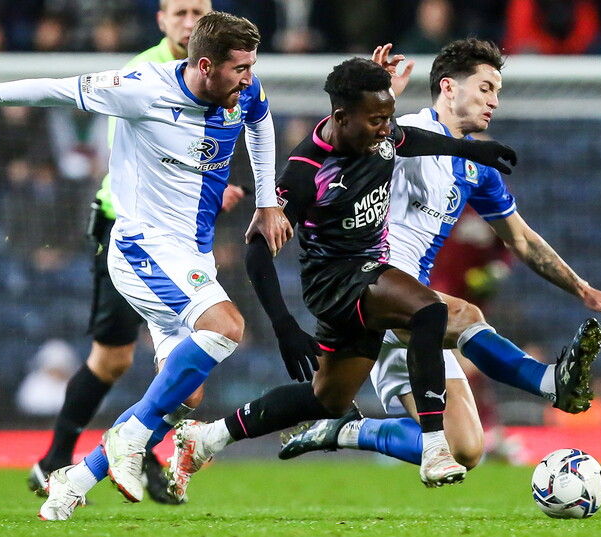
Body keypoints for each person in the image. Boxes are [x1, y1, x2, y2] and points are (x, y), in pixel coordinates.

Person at [0, 10, 293, 520]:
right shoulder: (141, 88)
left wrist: (267, 202)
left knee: (184, 394)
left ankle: (74, 480)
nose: (249, 78)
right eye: (240, 68)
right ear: (204, 65)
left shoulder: (243, 90)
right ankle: (130, 438)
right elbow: (52, 90)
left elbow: (260, 123)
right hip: (141, 248)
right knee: (227, 326)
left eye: (251, 66)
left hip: (190, 255)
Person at [163, 55, 519, 503]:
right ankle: (434, 447)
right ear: (340, 118)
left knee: (327, 399)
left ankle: (207, 437)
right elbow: (256, 252)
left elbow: (411, 139)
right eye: (376, 121)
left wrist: (471, 150)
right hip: (336, 283)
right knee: (429, 311)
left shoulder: (380, 136)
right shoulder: (306, 170)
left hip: (368, 277)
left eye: (388, 118)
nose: (386, 130)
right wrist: (284, 325)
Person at [279, 39, 601, 471]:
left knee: (466, 449)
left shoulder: (476, 166)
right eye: (485, 88)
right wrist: (375, 90)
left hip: (419, 311)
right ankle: (546, 380)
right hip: (376, 288)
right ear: (448, 87)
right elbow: (338, 139)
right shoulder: (400, 131)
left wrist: (583, 289)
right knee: (466, 316)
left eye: (496, 92)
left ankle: (347, 430)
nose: (494, 101)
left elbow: (521, 239)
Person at [24, 0, 243, 505]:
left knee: (188, 371)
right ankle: (64, 458)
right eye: (180, 12)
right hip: (128, 226)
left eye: (199, 12)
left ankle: (128, 452)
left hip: (182, 233)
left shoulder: (227, 75)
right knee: (114, 358)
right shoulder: (141, 75)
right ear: (161, 20)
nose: (190, 22)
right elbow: (137, 153)